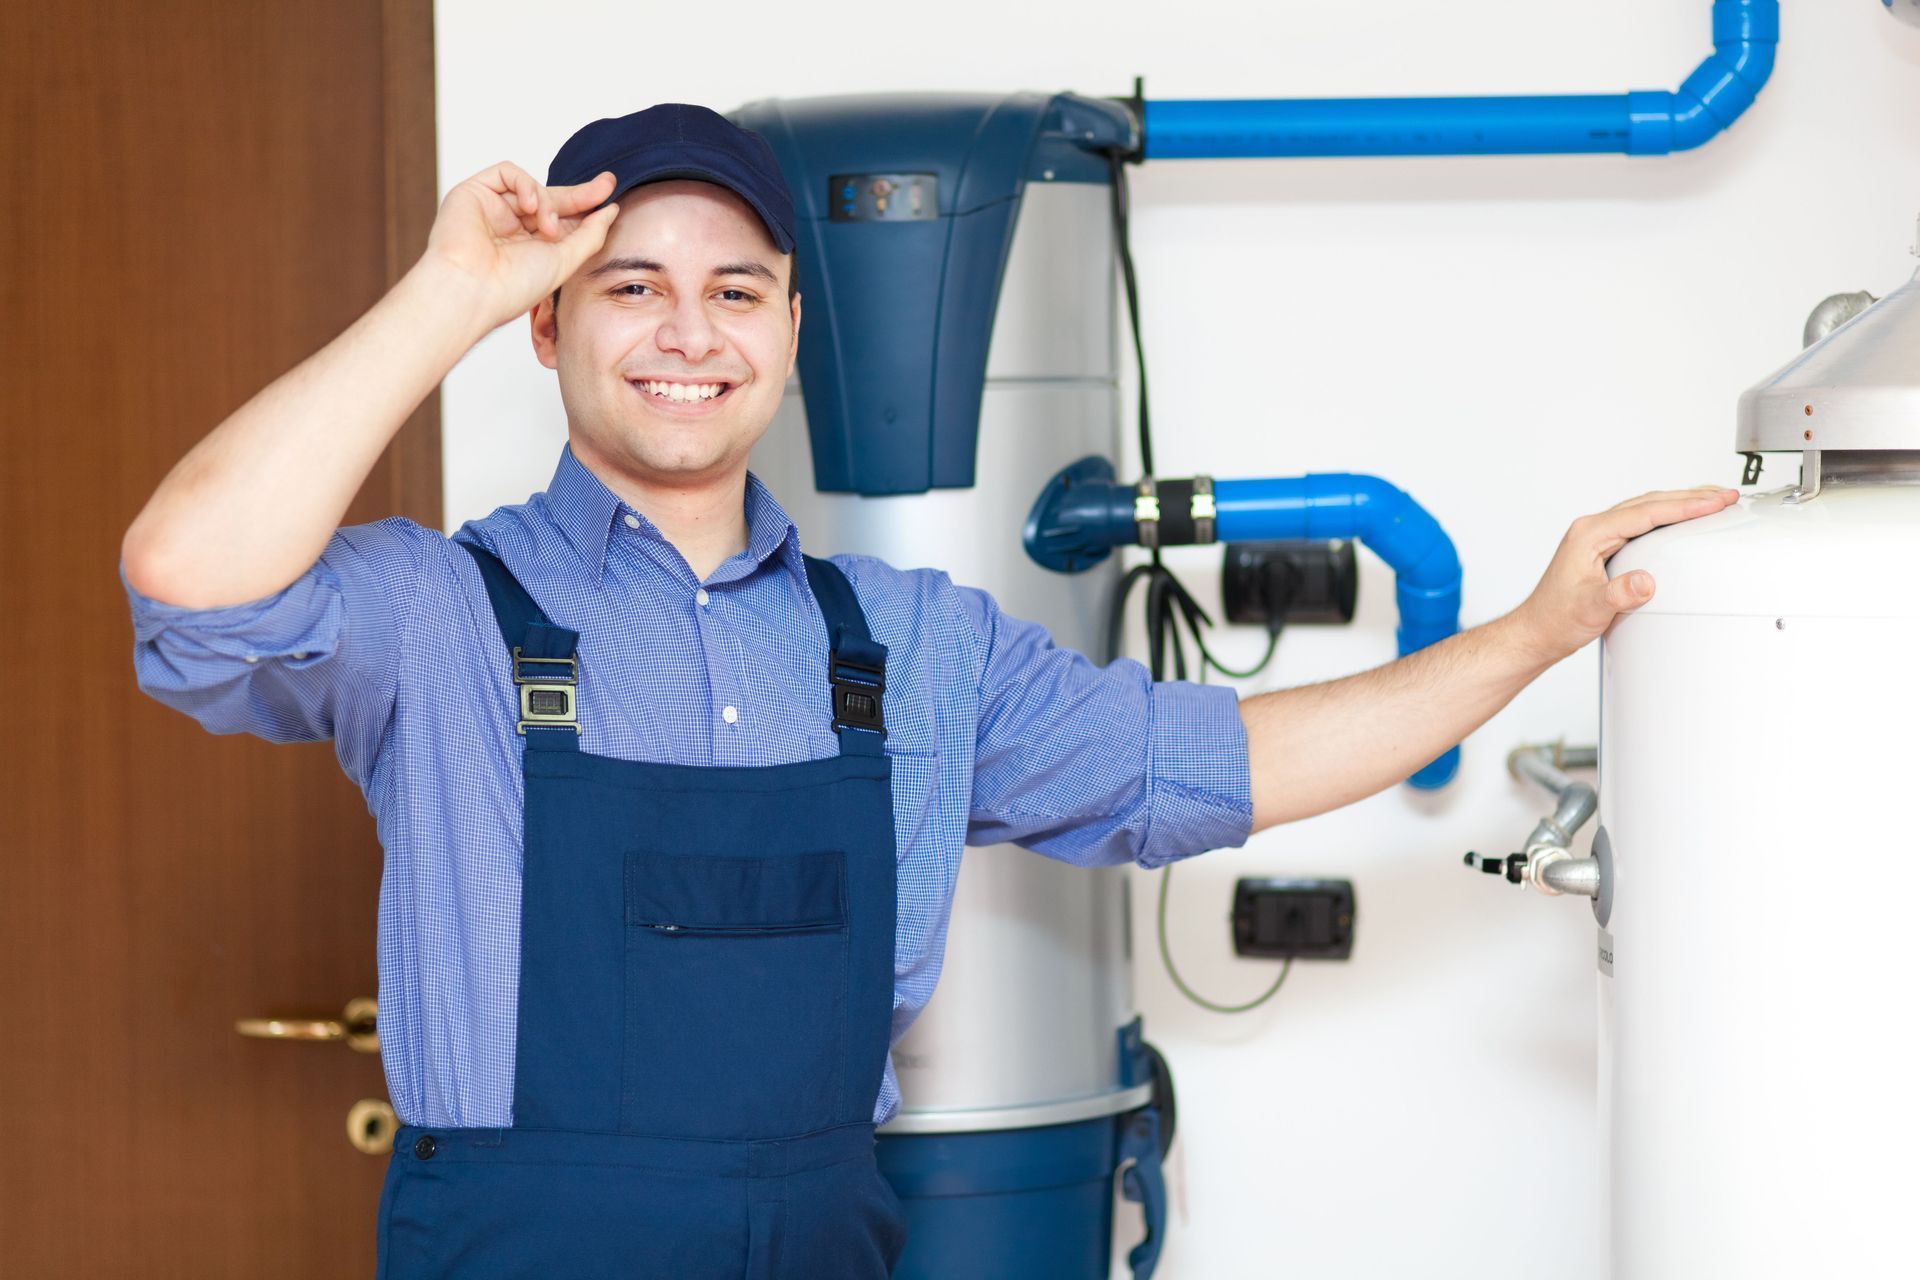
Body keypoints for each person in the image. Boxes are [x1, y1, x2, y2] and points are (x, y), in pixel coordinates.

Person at [121, 103, 1736, 1277]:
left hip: (829, 1238)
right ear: (545, 326)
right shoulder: (436, 609)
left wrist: (1525, 635)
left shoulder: (910, 644)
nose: (689, 331)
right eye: (631, 286)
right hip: (525, 1247)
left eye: (737, 290)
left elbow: (1224, 761)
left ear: (792, 330)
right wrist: (445, 291)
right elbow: (189, 575)